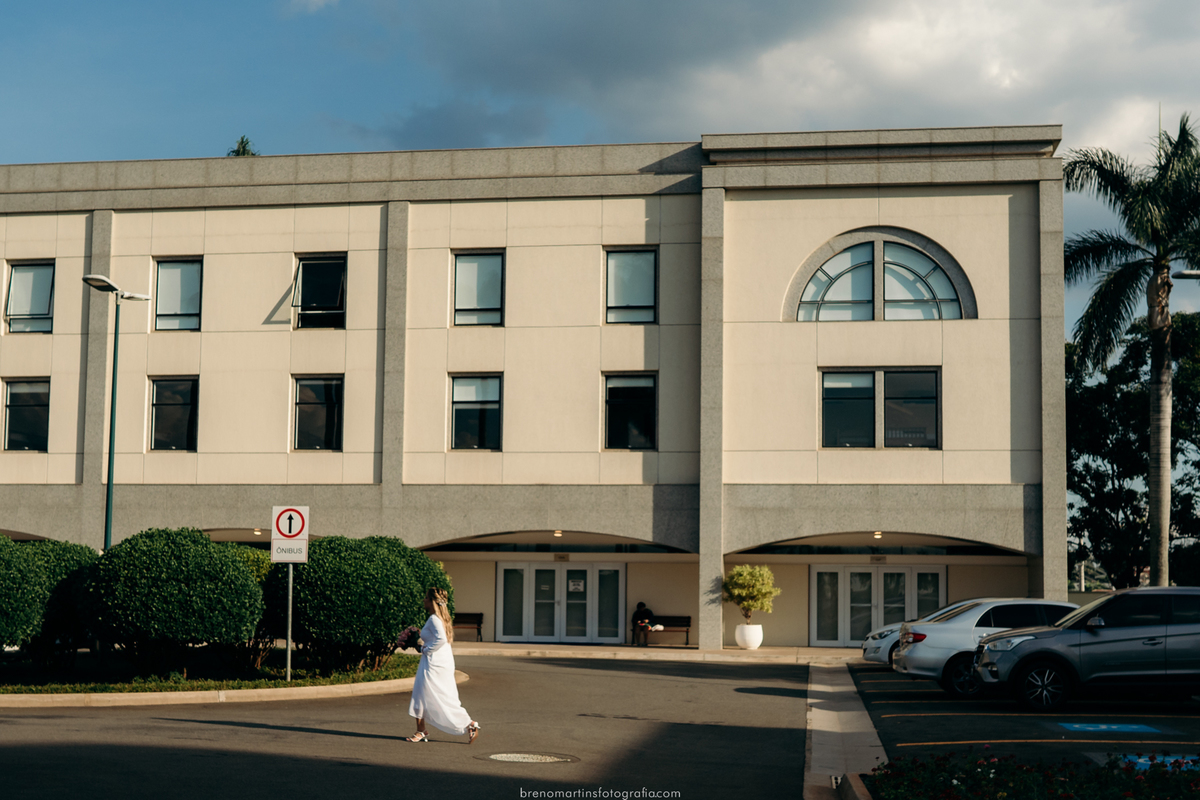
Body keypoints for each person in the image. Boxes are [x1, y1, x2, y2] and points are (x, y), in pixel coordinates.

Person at [406, 587, 480, 744]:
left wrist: (424, 648)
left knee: (430, 695)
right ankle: (421, 730)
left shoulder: (434, 619)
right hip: (440, 661)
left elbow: (440, 640)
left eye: (426, 598)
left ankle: (468, 724)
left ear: (432, 601)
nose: (424, 600)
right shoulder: (441, 618)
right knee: (436, 695)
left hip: (433, 663)